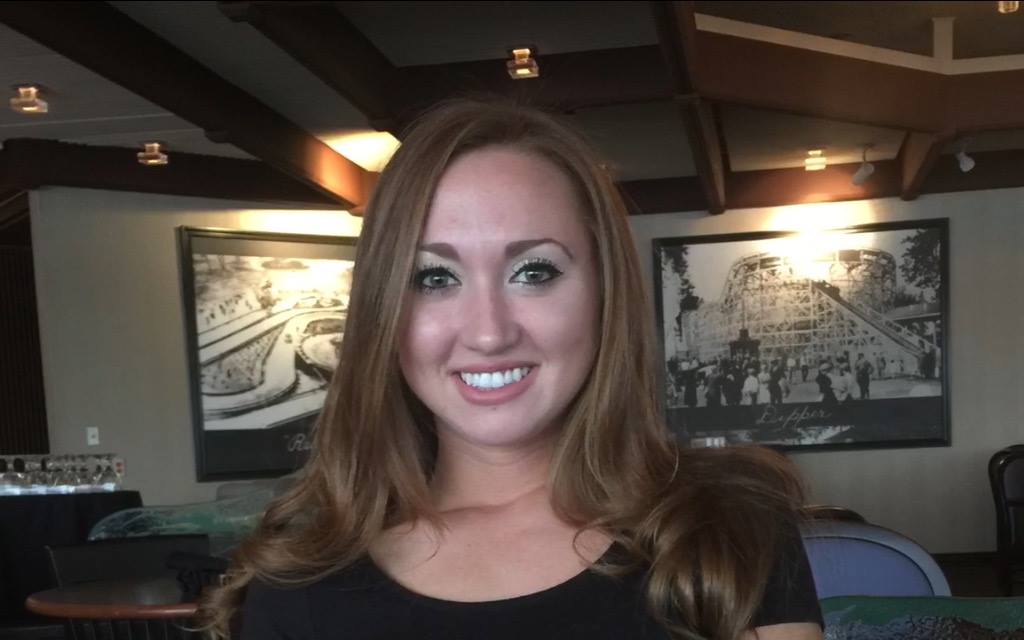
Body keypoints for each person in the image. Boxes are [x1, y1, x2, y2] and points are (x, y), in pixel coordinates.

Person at [201, 100, 822, 640]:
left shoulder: (728, 529)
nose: (489, 332)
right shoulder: (299, 583)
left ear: (605, 294)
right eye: (434, 278)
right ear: (382, 312)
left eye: (534, 272)